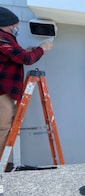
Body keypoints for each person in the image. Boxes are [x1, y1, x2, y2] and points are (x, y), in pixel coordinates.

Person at [0, 6, 53, 158]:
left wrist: (29, 50)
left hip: (5, 91)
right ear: (5, 24)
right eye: (14, 25)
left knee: (6, 125)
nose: (16, 27)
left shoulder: (7, 38)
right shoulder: (2, 38)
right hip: (2, 92)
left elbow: (18, 55)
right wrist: (42, 48)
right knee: (3, 128)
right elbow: (26, 59)